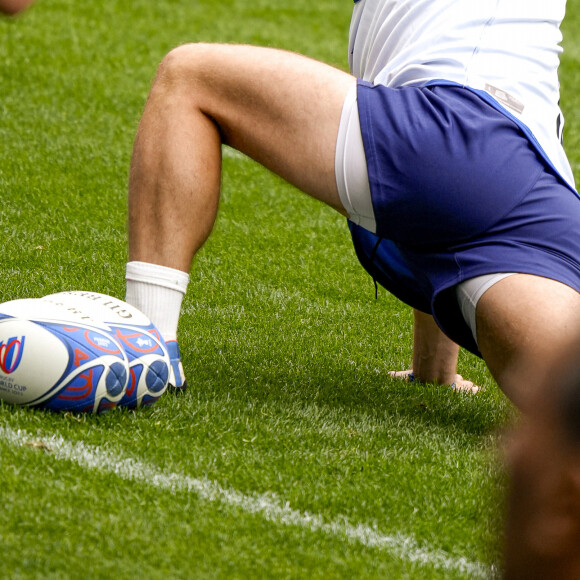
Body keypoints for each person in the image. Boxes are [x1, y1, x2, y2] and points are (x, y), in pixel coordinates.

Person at [124, 0, 580, 418]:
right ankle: (437, 369)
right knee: (565, 396)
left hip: (453, 125)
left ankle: (144, 351)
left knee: (188, 78)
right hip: (535, 181)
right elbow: (448, 199)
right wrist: (433, 372)